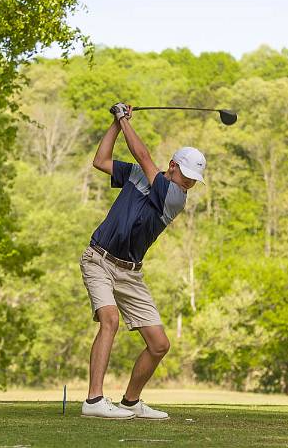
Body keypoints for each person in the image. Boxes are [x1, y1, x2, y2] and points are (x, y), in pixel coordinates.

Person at [79, 103, 206, 419]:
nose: (188, 183)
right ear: (173, 165)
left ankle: (131, 402)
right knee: (110, 320)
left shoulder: (174, 197)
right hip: (99, 259)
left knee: (159, 344)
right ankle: (94, 402)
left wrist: (124, 119)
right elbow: (100, 161)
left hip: (130, 273)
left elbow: (144, 157)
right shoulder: (138, 176)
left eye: (193, 180)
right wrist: (114, 124)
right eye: (186, 176)